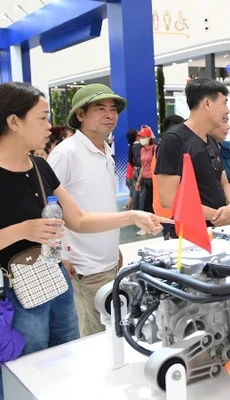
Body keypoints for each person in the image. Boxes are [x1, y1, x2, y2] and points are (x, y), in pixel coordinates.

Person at [0, 82, 167, 399]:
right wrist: (23, 230)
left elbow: (78, 219)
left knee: (67, 358)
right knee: (26, 371)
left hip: (54, 279)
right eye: (42, 117)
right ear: (13, 121)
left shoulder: (40, 167)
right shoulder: (62, 155)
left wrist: (131, 217)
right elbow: (40, 227)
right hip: (15, 292)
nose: (49, 126)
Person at [47, 83, 155, 338]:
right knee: (95, 336)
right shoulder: (66, 153)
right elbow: (48, 206)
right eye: (100, 108)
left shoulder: (105, 150)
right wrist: (59, 254)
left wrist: (113, 247)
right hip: (83, 265)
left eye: (113, 109)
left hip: (108, 260)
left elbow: (100, 203)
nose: (110, 115)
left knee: (112, 330)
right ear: (80, 114)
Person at [155, 77, 230, 230]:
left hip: (220, 228)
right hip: (191, 232)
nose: (227, 110)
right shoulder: (174, 140)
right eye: (224, 103)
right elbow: (168, 198)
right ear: (207, 104)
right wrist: (216, 216)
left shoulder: (211, 140)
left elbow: (223, 182)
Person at [135, 126, 157, 223]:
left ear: (149, 137)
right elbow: (143, 166)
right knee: (143, 203)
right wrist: (138, 181)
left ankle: (152, 223)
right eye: (140, 137)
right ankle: (145, 223)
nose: (141, 139)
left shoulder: (155, 148)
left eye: (143, 137)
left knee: (151, 204)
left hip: (153, 181)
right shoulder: (142, 150)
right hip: (144, 179)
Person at [124, 128, 141, 211]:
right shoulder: (137, 147)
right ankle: (129, 210)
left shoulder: (131, 148)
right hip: (132, 176)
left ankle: (128, 208)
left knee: (132, 194)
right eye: (138, 134)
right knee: (134, 195)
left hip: (128, 176)